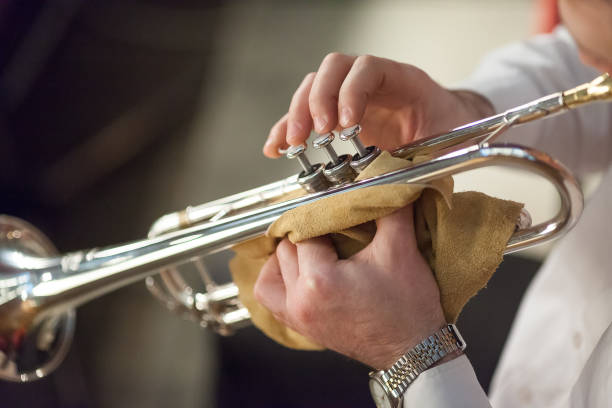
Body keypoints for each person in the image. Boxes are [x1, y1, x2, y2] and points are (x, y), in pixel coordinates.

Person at [254, 0, 612, 406]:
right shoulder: (598, 49)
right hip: (551, 323)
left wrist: (412, 357)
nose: (592, 64)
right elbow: (585, 64)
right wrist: (471, 110)